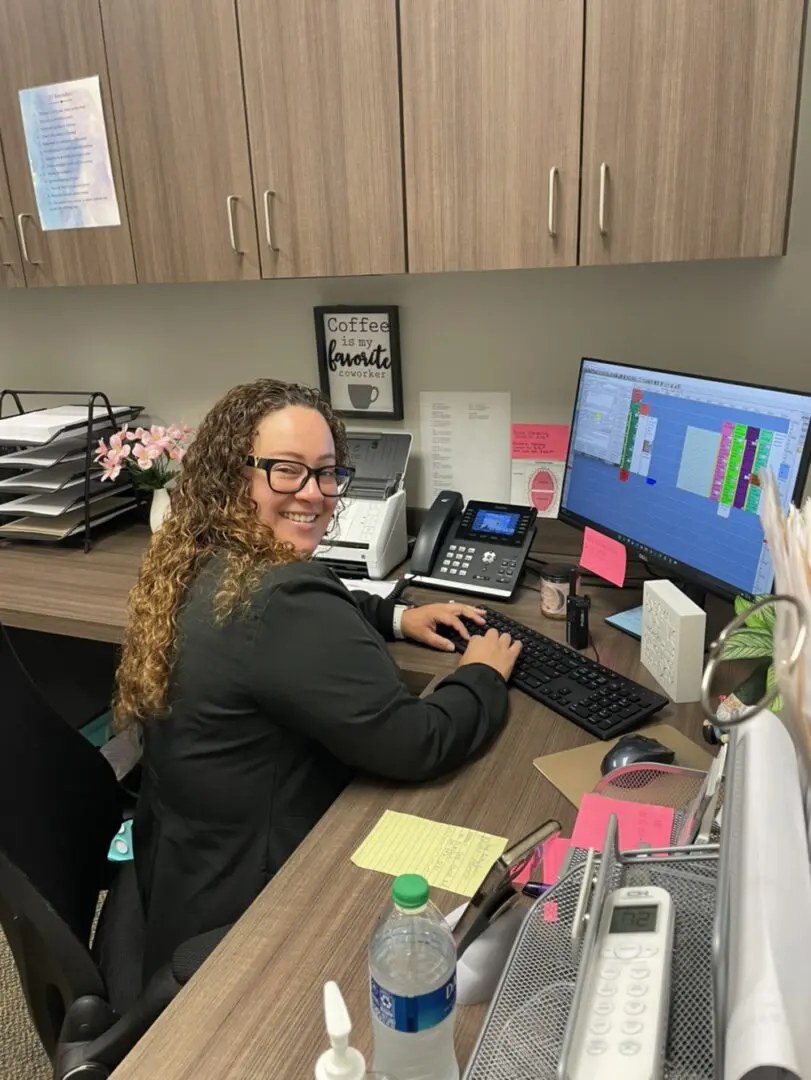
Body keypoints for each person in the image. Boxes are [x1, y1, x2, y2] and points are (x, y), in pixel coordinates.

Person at [115, 379, 521, 981]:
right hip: (260, 913)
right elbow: (417, 741)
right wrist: (482, 675)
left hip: (183, 877)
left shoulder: (197, 558)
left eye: (328, 472)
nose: (315, 494)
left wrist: (396, 615)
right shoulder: (283, 600)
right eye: (286, 471)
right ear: (234, 477)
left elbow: (315, 613)